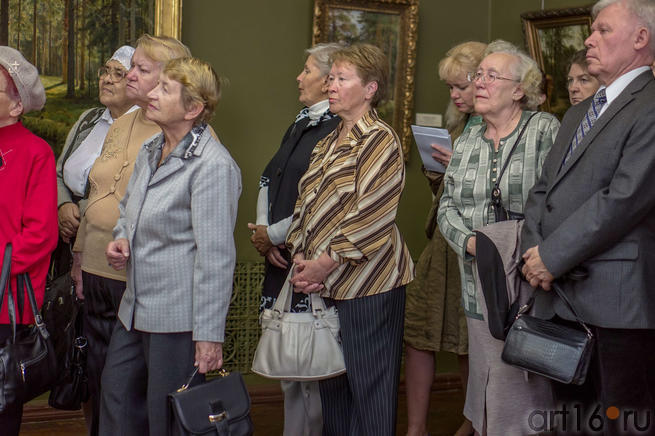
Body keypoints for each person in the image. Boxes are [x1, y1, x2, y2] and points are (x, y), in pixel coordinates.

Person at [521, 0, 655, 434]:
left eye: (602, 30)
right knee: (569, 420)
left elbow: (624, 199)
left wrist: (551, 256)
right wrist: (534, 254)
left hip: (615, 300)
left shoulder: (649, 105)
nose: (589, 40)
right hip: (557, 294)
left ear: (641, 38)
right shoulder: (579, 112)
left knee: (621, 421)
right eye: (591, 30)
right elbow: (543, 191)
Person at [101, 56, 241, 435]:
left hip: (177, 321)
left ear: (192, 109)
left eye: (165, 88)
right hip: (133, 309)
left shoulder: (212, 166)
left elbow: (216, 258)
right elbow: (129, 209)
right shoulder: (152, 148)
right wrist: (122, 237)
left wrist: (209, 336)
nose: (152, 93)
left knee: (166, 419)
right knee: (115, 401)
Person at [286, 43, 414, 436]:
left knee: (369, 392)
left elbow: (371, 213)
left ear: (370, 88)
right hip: (325, 284)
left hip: (369, 285)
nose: (331, 85)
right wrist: (301, 256)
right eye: (331, 78)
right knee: (333, 390)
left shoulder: (379, 139)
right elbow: (304, 203)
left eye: (342, 79)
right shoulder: (327, 141)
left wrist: (324, 263)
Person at [437, 40, 559, 435]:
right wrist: (471, 243)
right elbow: (446, 206)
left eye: (492, 76)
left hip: (530, 285)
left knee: (526, 395)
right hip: (478, 285)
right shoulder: (468, 137)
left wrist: (516, 246)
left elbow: (561, 201)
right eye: (478, 75)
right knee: (488, 388)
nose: (480, 83)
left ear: (519, 89)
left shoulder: (543, 129)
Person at [247, 42, 341, 436]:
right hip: (282, 258)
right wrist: (264, 233)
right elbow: (269, 178)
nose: (298, 77)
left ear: (329, 80)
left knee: (311, 367)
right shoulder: (301, 123)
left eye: (307, 71)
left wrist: (274, 234)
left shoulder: (337, 128)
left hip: (311, 261)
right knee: (289, 364)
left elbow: (319, 200)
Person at [404, 41, 486, 436]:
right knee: (418, 330)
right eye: (450, 87)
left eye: (460, 86)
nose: (454, 95)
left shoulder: (505, 126)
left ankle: (473, 422)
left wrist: (460, 170)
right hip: (441, 242)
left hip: (475, 246)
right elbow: (445, 194)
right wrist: (437, 172)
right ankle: (416, 427)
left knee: (471, 339)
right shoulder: (459, 125)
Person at [56, 45, 137, 435]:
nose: (107, 78)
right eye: (106, 70)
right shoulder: (89, 119)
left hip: (109, 252)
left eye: (119, 73)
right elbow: (61, 171)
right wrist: (63, 206)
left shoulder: (145, 129)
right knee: (82, 350)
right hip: (70, 247)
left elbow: (121, 190)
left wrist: (84, 210)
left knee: (112, 359)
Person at [0, 46, 57, 436]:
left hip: (8, 302)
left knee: (1, 406)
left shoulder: (37, 153)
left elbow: (40, 235)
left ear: (17, 105)